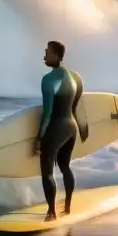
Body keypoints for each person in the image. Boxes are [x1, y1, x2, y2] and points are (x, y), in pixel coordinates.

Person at [32, 40, 87, 222]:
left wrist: (39, 138)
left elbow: (47, 113)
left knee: (47, 172)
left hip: (56, 127)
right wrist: (82, 128)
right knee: (64, 166)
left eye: (47, 52)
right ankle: (68, 206)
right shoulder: (75, 77)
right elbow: (77, 105)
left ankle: (51, 213)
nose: (44, 55)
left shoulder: (48, 80)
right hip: (71, 128)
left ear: (56, 55)